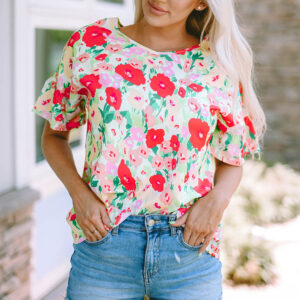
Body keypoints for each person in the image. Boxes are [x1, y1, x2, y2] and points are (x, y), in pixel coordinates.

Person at [32, 0, 266, 299]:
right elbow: (54, 136)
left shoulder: (217, 64)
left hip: (188, 249)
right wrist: (80, 196)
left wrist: (217, 201)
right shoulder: (92, 45)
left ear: (201, 4)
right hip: (105, 244)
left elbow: (233, 158)